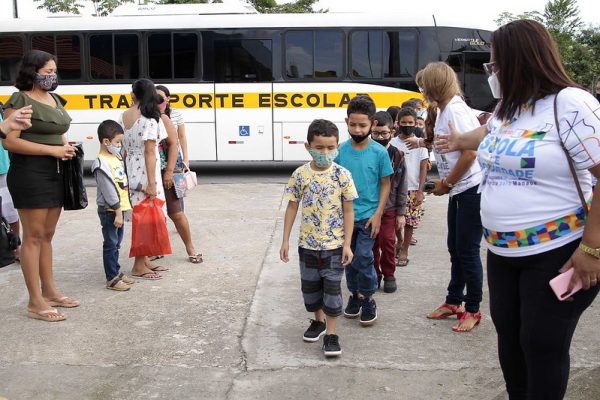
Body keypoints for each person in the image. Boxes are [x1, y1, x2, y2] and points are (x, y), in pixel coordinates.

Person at [436, 20, 600, 399]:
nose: (492, 73)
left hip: (559, 251)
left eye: (496, 65)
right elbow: (489, 133)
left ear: (521, 61)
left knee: (542, 344)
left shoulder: (570, 104)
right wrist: (459, 139)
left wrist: (591, 250)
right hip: (502, 252)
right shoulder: (510, 108)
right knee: (510, 340)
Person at [3, 50, 80, 322]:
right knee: (33, 237)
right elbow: (9, 141)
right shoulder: (20, 100)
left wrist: (64, 147)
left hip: (56, 173)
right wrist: (51, 152)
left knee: (47, 235)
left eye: (54, 71)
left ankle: (50, 291)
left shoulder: (55, 99)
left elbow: (59, 132)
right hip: (29, 174)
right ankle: (35, 302)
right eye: (47, 72)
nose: (52, 76)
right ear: (32, 72)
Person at [416, 62, 484, 333]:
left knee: (467, 252)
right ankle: (453, 301)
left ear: (436, 85)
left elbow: (471, 152)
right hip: (458, 189)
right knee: (455, 248)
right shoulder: (444, 110)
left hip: (470, 190)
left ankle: (473, 309)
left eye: (424, 86)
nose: (421, 91)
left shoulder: (456, 110)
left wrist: (447, 182)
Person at [280, 119, 357, 357]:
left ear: (337, 147)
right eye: (320, 148)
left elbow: (348, 210)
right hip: (308, 246)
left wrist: (347, 244)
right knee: (311, 289)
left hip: (334, 246)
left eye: (330, 148)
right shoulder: (300, 174)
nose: (325, 153)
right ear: (308, 146)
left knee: (332, 290)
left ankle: (332, 335)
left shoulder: (342, 175)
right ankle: (318, 321)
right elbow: (292, 207)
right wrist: (285, 241)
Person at [335, 95, 393, 326]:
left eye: (362, 125)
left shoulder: (380, 153)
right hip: (344, 218)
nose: (357, 129)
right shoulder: (340, 151)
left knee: (365, 257)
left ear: (373, 125)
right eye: (352, 124)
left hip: (368, 217)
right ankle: (354, 295)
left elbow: (386, 183)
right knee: (348, 258)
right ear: (346, 121)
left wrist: (378, 213)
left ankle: (367, 297)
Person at [120, 78, 169, 280]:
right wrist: (151, 182)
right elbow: (150, 152)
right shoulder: (150, 118)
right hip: (145, 171)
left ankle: (145, 259)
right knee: (145, 219)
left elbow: (122, 148)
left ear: (134, 94)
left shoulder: (124, 115)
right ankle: (139, 264)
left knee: (141, 216)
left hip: (130, 167)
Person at [155, 85, 202, 264]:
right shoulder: (144, 117)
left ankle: (190, 248)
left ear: (167, 99)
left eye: (161, 98)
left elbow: (179, 140)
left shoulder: (170, 116)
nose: (158, 102)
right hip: (152, 170)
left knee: (176, 209)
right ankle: (157, 248)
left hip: (171, 166)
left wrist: (184, 161)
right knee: (156, 213)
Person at [91, 120, 135, 291]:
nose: (119, 145)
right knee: (110, 244)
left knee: (117, 243)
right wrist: (118, 212)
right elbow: (109, 191)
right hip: (110, 211)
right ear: (106, 142)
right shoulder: (100, 164)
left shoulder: (115, 157)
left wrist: (126, 208)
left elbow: (122, 182)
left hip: (119, 210)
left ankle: (116, 271)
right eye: (117, 142)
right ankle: (111, 278)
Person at [371, 111, 407, 293]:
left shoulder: (398, 155)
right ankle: (374, 275)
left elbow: (402, 186)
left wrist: (401, 212)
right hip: (370, 209)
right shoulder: (366, 152)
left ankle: (389, 274)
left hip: (390, 208)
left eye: (384, 133)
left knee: (387, 241)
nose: (380, 137)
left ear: (392, 131)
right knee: (372, 244)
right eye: (376, 133)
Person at [391, 107, 429, 267]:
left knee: (409, 222)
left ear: (415, 124)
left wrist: (421, 191)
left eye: (410, 122)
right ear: (398, 123)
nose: (407, 125)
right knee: (394, 221)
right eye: (403, 122)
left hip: (413, 189)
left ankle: (404, 249)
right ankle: (399, 240)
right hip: (395, 188)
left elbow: (423, 168)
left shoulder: (421, 144)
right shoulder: (392, 143)